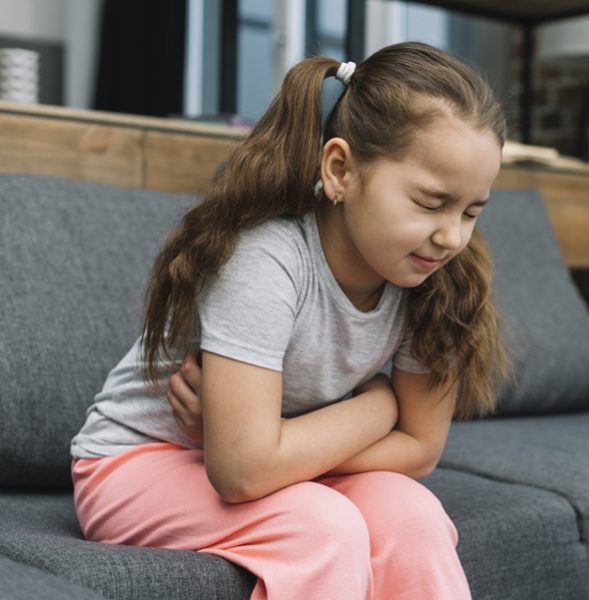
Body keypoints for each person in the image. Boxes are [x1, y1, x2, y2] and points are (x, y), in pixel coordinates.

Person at [69, 41, 509, 600]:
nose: (452, 236)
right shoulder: (266, 260)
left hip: (263, 455)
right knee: (321, 528)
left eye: (471, 211)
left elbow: (419, 450)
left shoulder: (435, 281)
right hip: (137, 464)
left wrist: (276, 451)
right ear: (341, 170)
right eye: (429, 202)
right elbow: (243, 473)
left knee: (412, 514)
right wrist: (379, 407)